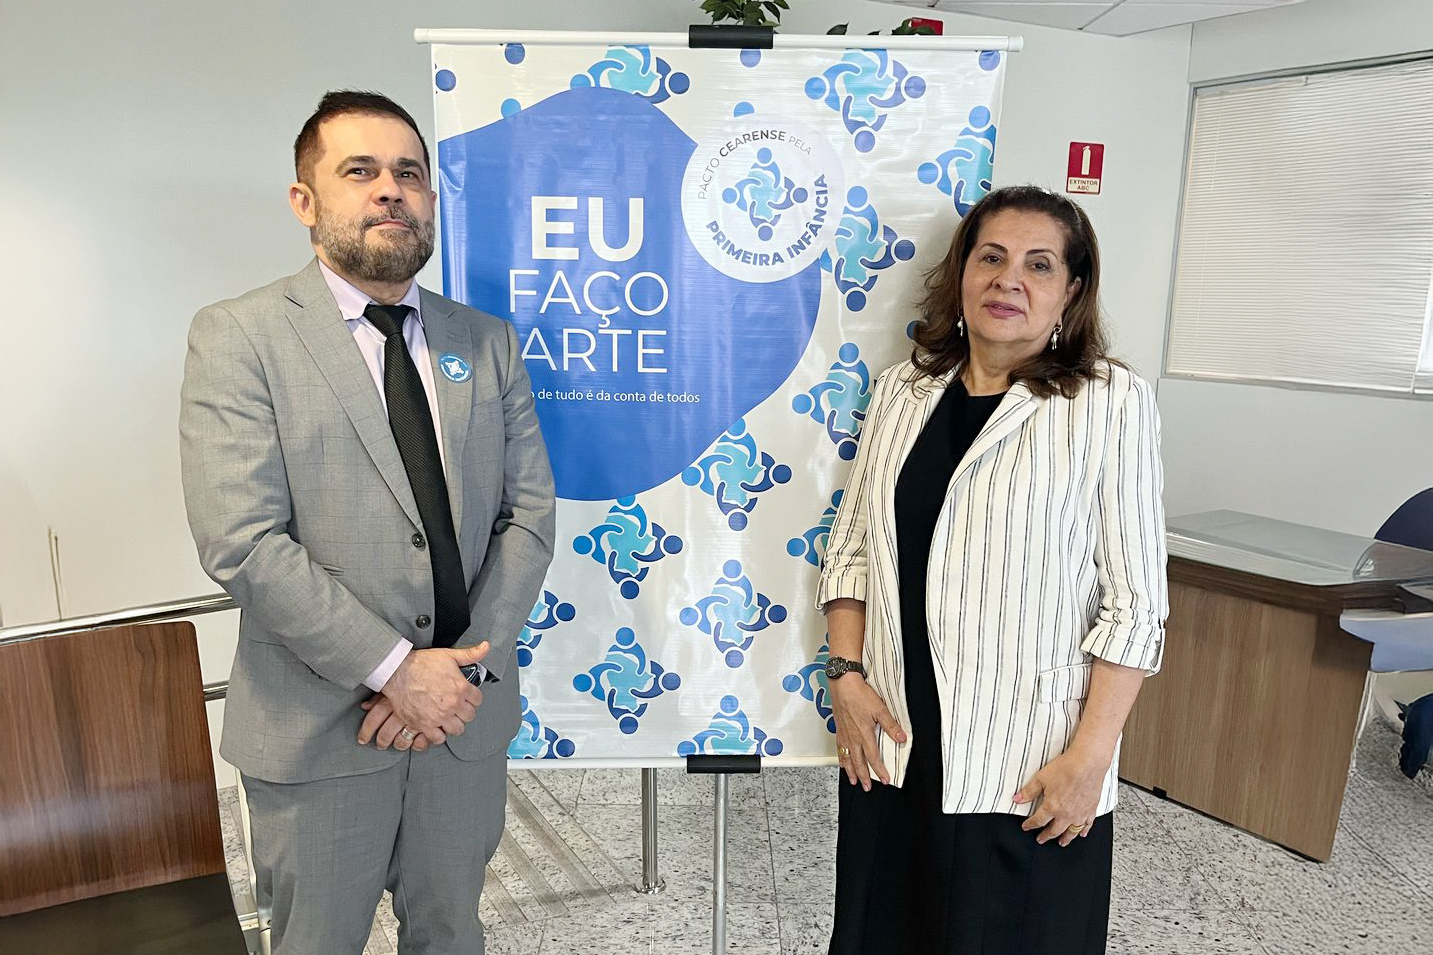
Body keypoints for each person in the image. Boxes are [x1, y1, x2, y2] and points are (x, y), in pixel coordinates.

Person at [179, 90, 555, 955]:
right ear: (304, 200)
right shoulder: (240, 337)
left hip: (461, 723)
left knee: (452, 934)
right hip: (319, 730)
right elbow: (241, 538)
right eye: (360, 170)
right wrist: (394, 669)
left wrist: (456, 675)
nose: (390, 189)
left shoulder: (486, 341)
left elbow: (529, 511)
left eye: (409, 174)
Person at [817, 185, 1167, 954]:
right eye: (991, 257)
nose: (1009, 279)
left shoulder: (1107, 401)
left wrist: (1089, 758)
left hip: (1030, 760)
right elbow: (850, 550)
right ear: (962, 273)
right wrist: (844, 673)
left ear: (1070, 290)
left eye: (1038, 265)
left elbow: (1136, 602)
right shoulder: (904, 392)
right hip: (896, 745)